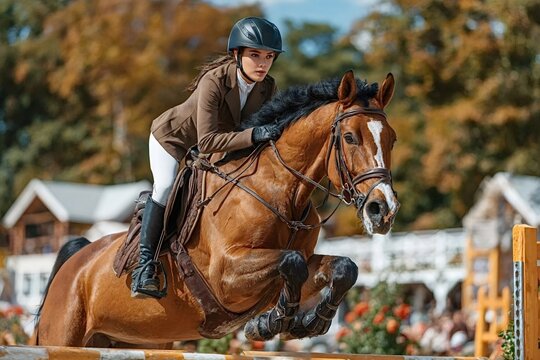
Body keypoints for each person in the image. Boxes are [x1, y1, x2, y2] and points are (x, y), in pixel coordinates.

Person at [131, 17, 284, 299]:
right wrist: (254, 135)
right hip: (174, 140)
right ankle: (144, 267)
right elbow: (208, 141)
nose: (263, 63)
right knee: (165, 186)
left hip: (212, 152)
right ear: (236, 54)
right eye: (255, 55)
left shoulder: (267, 87)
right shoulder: (214, 81)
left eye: (269, 57)